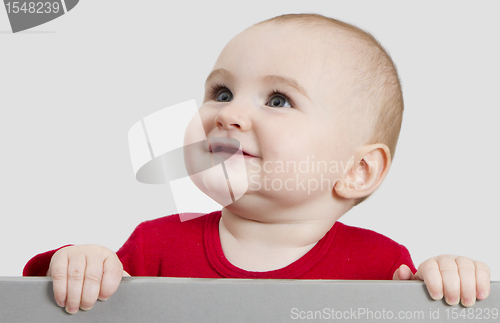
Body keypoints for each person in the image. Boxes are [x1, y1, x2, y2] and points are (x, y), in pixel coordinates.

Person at [23, 13, 490, 314]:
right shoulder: (151, 250)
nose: (227, 113)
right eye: (220, 93)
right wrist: (81, 264)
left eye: (278, 99)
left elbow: (434, 305)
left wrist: (446, 284)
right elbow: (62, 301)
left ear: (357, 171)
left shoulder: (380, 266)